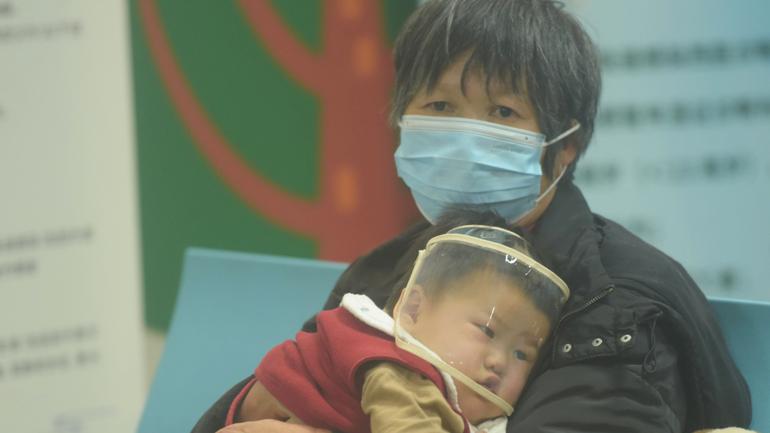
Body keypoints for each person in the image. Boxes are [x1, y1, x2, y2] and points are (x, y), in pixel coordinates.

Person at [198, 0, 752, 432]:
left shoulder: (616, 303)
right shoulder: (381, 272)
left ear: (565, 148)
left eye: (503, 112)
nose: (464, 135)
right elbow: (279, 397)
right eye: (439, 107)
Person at [220, 212, 570, 433]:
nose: (500, 360)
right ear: (414, 310)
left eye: (522, 354)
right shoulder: (392, 362)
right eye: (487, 330)